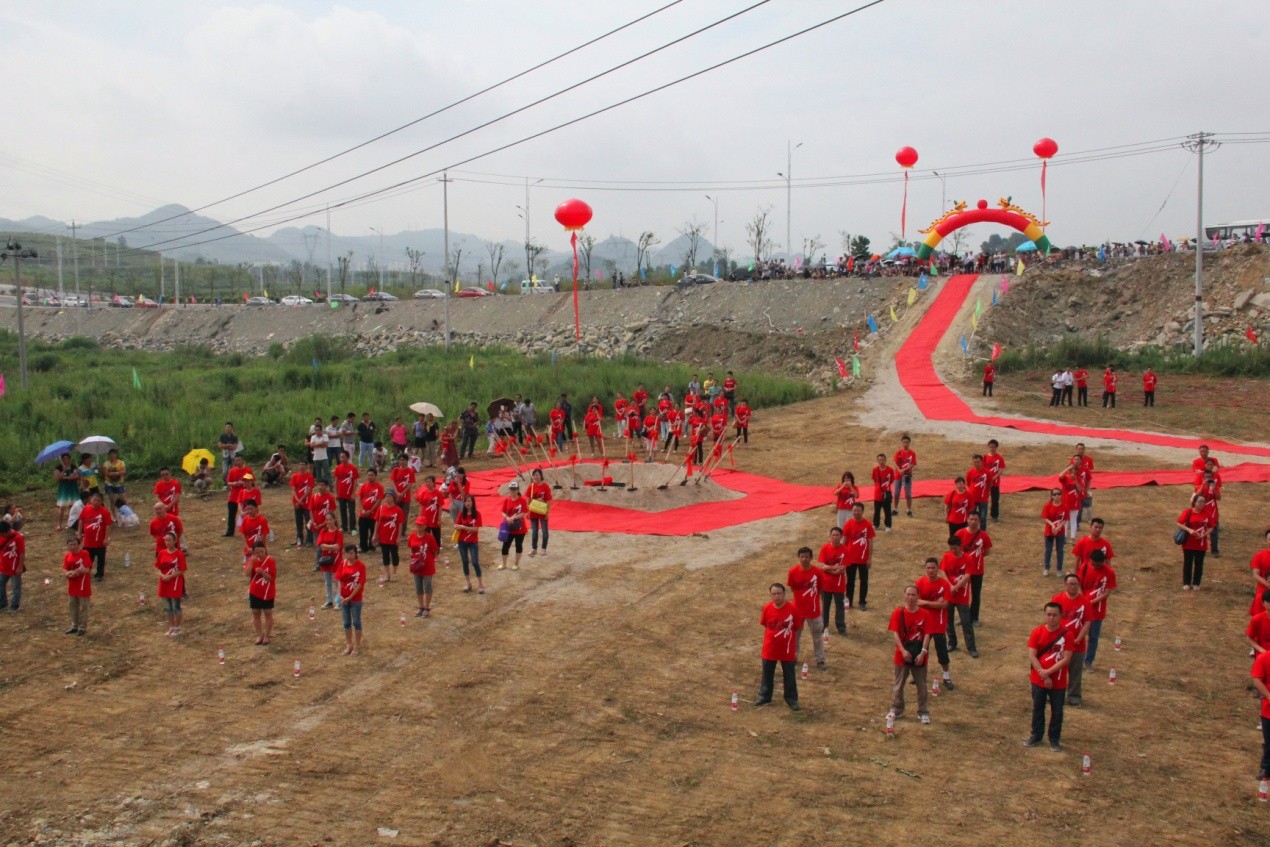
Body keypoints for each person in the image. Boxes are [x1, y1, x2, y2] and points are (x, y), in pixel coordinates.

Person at [1026, 602, 1073, 751]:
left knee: (1057, 711)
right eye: (1049, 614)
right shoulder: (1037, 632)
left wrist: (1049, 672)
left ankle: (1054, 739)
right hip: (1038, 679)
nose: (1051, 618)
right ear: (1045, 615)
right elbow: (1032, 656)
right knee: (1038, 708)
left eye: (1055, 615)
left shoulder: (1067, 635)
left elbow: (1066, 658)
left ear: (1060, 616)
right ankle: (1036, 735)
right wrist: (1043, 674)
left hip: (1058, 680)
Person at [887, 585, 933, 725]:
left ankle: (923, 711)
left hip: (919, 653)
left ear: (918, 596)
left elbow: (927, 634)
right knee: (898, 684)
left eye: (913, 595)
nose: (911, 597)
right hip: (902, 654)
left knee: (922, 685)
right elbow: (895, 633)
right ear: (904, 596)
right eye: (908, 594)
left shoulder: (925, 614)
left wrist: (923, 652)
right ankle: (896, 708)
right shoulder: (898, 612)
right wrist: (902, 650)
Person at [756, 583, 800, 710]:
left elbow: (797, 626)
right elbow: (765, 623)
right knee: (767, 673)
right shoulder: (767, 608)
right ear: (770, 595)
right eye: (774, 594)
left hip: (786, 649)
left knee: (789, 675)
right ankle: (765, 696)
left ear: (784, 594)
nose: (777, 596)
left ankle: (791, 699)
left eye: (779, 593)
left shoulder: (793, 609)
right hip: (770, 649)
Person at [1051, 574, 1092, 707]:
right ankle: (1055, 695)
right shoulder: (1058, 599)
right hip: (1060, 643)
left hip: (1077, 644)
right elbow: (1051, 619)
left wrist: (1079, 638)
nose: (1073, 586)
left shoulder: (1085, 602)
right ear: (1065, 585)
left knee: (1075, 671)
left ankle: (1074, 697)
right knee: (1057, 670)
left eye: (1075, 584)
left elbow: (1087, 622)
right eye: (1070, 584)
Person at [915, 558, 955, 692]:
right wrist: (934, 604)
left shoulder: (944, 584)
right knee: (920, 649)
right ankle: (918, 675)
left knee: (942, 650)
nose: (931, 570)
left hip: (938, 623)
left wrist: (925, 603)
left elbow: (944, 605)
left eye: (933, 568)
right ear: (925, 569)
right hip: (923, 622)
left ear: (938, 569)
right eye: (928, 568)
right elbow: (916, 601)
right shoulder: (920, 582)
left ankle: (946, 676)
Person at [1076, 545, 1117, 671]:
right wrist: (1082, 600)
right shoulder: (1085, 567)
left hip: (1097, 611)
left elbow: (1107, 592)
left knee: (1093, 637)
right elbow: (1078, 584)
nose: (1096, 566)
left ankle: (1088, 661)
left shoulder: (1109, 572)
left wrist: (1092, 601)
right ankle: (1076, 659)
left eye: (1099, 565)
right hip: (1082, 608)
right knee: (1078, 634)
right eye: (1094, 564)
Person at [786, 547, 827, 670]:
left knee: (817, 637)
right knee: (795, 636)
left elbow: (820, 589)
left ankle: (820, 660)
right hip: (797, 611)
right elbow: (793, 588)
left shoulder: (818, 573)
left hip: (814, 611)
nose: (804, 559)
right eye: (802, 557)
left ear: (811, 558)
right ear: (798, 557)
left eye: (807, 557)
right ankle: (793, 657)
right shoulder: (793, 572)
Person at [941, 536, 978, 658]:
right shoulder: (947, 556)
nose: (953, 550)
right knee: (948, 620)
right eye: (951, 548)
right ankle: (952, 642)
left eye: (955, 548)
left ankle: (971, 647)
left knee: (966, 622)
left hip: (962, 595)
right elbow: (943, 572)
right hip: (949, 594)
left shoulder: (967, 558)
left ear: (960, 546)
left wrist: (956, 586)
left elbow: (968, 576)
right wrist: (950, 586)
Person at [956, 513, 993, 627]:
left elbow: (987, 551)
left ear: (979, 521)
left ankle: (974, 617)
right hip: (963, 570)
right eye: (971, 519)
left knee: (976, 594)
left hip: (977, 570)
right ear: (967, 520)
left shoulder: (983, 535)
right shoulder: (960, 533)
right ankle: (964, 617)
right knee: (963, 595)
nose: (973, 522)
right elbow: (955, 551)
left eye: (975, 519)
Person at [841, 501, 875, 612]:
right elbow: (845, 541)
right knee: (850, 581)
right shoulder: (848, 524)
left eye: (858, 510)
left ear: (862, 511)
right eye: (854, 510)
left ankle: (862, 602)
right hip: (850, 558)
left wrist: (869, 558)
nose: (856, 512)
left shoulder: (867, 525)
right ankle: (849, 602)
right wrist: (843, 557)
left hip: (863, 559)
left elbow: (870, 542)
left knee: (864, 581)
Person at [1177, 493, 1213, 590]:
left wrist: (1205, 534)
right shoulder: (1188, 512)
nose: (1202, 503)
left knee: (1199, 564)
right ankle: (1186, 583)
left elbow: (1211, 527)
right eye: (1199, 501)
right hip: (1189, 542)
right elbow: (1179, 523)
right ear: (1194, 502)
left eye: (1203, 501)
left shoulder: (1207, 514)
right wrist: (1189, 530)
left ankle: (1196, 583)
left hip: (1201, 543)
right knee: (1188, 563)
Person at [817, 526, 848, 636]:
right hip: (825, 584)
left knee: (840, 606)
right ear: (830, 536)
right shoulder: (825, 548)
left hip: (839, 585)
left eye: (837, 535)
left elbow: (843, 568)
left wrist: (828, 568)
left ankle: (841, 627)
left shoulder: (845, 550)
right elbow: (822, 566)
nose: (835, 537)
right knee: (825, 606)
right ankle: (823, 626)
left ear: (841, 536)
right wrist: (834, 570)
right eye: (833, 535)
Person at [337, 543, 366, 655]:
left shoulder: (361, 566)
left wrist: (350, 597)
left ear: (355, 554)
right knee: (346, 623)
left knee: (357, 622)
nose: (349, 555)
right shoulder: (343, 564)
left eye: (351, 553)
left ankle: (357, 645)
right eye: (347, 553)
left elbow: (360, 584)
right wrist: (339, 595)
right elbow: (339, 580)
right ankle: (349, 644)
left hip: (355, 599)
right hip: (344, 598)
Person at [155, 532, 187, 637]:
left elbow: (182, 569)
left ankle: (177, 627)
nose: (167, 542)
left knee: (175, 606)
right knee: (167, 607)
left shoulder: (179, 554)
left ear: (174, 541)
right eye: (165, 540)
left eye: (169, 540)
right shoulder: (162, 553)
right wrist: (162, 575)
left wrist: (170, 576)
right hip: (164, 582)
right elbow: (158, 567)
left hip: (175, 583)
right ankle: (171, 626)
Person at [245, 542, 276, 645]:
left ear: (265, 550)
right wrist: (251, 563)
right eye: (257, 552)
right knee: (256, 613)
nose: (260, 554)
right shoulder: (251, 561)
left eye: (261, 551)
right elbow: (247, 574)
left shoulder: (270, 560)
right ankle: (259, 635)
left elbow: (271, 578)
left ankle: (267, 635)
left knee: (268, 612)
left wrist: (262, 572)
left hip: (267, 592)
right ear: (253, 553)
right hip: (254, 591)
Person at [407, 519, 438, 616]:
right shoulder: (412, 536)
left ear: (425, 526)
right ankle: (421, 607)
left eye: (421, 524)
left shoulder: (429, 537)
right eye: (417, 524)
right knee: (418, 587)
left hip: (428, 565)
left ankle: (427, 607)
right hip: (417, 565)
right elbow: (410, 548)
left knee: (427, 586)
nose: (419, 526)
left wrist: (430, 558)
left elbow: (435, 550)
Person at [78, 492, 112, 581]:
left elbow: (108, 525)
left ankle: (99, 574)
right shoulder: (86, 509)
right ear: (91, 500)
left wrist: (106, 538)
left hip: (99, 542)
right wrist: (79, 533)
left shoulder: (105, 512)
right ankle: (86, 572)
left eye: (98, 501)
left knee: (100, 559)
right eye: (94, 500)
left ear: (101, 502)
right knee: (87, 558)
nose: (96, 502)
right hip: (88, 541)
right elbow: (81, 520)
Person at [63, 536, 92, 636]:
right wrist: (68, 574)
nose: (72, 547)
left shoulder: (84, 553)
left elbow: (87, 568)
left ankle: (82, 627)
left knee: (84, 606)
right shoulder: (67, 556)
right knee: (73, 605)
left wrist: (77, 573)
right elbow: (65, 569)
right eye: (70, 545)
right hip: (72, 585)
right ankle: (74, 625)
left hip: (83, 584)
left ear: (78, 544)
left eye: (74, 544)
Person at [455, 494, 484, 594]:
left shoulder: (477, 514)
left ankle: (480, 584)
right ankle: (468, 583)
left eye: (470, 501)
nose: (468, 503)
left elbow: (475, 529)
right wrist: (458, 526)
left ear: (473, 502)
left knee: (475, 562)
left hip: (472, 542)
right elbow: (456, 524)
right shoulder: (461, 514)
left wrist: (463, 527)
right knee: (465, 562)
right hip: (462, 541)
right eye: (466, 501)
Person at [315, 511, 343, 609]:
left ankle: (339, 601)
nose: (328, 522)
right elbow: (320, 545)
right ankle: (329, 600)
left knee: (337, 581)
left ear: (334, 520)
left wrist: (326, 546)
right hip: (326, 559)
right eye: (327, 520)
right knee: (327, 581)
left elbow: (338, 547)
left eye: (330, 519)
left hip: (336, 560)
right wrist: (331, 546)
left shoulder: (338, 533)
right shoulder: (323, 531)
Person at [499, 480, 529, 570]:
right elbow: (503, 512)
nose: (513, 491)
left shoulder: (522, 500)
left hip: (519, 528)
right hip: (509, 527)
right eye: (511, 489)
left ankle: (516, 563)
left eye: (514, 489)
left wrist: (513, 518)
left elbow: (524, 513)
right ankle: (504, 564)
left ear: (518, 489)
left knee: (518, 545)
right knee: (505, 546)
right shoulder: (507, 500)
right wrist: (507, 518)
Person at [375, 492, 404, 584]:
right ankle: (387, 574)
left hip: (393, 535)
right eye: (386, 497)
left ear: (393, 498)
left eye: (390, 496)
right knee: (385, 554)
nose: (388, 498)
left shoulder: (398, 510)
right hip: (383, 535)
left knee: (394, 554)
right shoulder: (381, 508)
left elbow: (400, 524)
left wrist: (399, 537)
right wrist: (375, 534)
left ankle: (394, 573)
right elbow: (377, 522)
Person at [525, 468, 553, 558]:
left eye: (537, 475)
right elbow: (528, 499)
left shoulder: (545, 487)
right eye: (534, 475)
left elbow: (548, 500)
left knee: (545, 531)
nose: (536, 477)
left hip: (542, 511)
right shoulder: (531, 486)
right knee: (534, 531)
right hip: (533, 512)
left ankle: (544, 548)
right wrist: (527, 511)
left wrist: (547, 512)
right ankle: (534, 549)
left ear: (541, 476)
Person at [1041, 488, 1068, 577]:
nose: (1057, 496)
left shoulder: (1065, 507)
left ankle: (1059, 569)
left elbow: (1065, 519)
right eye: (1055, 494)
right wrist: (1052, 525)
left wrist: (1058, 527)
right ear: (1052, 496)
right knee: (1048, 550)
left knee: (1060, 551)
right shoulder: (1048, 506)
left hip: (1060, 532)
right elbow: (1045, 518)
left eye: (1059, 494)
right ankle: (1047, 568)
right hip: (1049, 531)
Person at [0, 520, 26, 611]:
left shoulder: (18, 538)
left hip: (14, 566)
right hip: (3, 565)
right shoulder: (1, 535)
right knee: (1, 583)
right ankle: (2, 603)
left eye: (3, 534)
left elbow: (22, 553)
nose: (2, 536)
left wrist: (20, 566)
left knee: (16, 586)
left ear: (7, 531)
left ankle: (14, 605)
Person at [1253, 648, 1270, 780]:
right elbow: (1257, 679)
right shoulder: (1264, 658)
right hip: (1268, 711)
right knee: (1269, 740)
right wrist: (1269, 696)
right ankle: (1266, 767)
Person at [223, 455, 250, 537]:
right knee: (231, 514)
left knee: (246, 513)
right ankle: (230, 531)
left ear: (242, 461)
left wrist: (244, 483)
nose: (237, 462)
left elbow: (252, 482)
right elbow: (228, 482)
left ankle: (248, 529)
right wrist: (233, 483)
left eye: (239, 460)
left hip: (244, 495)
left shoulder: (247, 470)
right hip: (233, 495)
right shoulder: (232, 471)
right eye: (236, 460)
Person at [333, 451, 359, 533]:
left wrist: (353, 493)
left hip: (350, 494)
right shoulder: (338, 468)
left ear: (347, 457)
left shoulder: (353, 468)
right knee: (342, 511)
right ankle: (344, 527)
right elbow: (336, 481)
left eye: (343, 457)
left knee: (351, 512)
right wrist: (336, 493)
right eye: (340, 457)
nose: (341, 459)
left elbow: (355, 481)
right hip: (341, 494)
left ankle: (353, 528)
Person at [415, 475, 444, 548]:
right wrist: (419, 517)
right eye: (426, 482)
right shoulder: (424, 493)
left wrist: (439, 519)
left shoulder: (438, 493)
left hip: (434, 518)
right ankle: (427, 549)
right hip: (425, 518)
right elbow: (421, 505)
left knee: (436, 535)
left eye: (429, 482)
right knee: (426, 535)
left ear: (434, 483)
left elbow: (440, 506)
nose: (427, 483)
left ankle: (436, 551)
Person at [892, 435, 917, 517]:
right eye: (904, 442)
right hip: (898, 476)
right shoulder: (898, 452)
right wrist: (899, 470)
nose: (905, 444)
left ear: (909, 443)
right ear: (902, 443)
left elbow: (912, 464)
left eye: (907, 442)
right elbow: (895, 462)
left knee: (908, 494)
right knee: (896, 493)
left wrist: (903, 470)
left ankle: (909, 510)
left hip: (907, 476)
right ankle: (895, 509)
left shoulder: (912, 453)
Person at [870, 453, 895, 532]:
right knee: (877, 510)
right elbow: (874, 479)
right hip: (877, 493)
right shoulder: (875, 470)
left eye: (883, 460)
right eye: (879, 460)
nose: (881, 461)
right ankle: (875, 524)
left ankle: (888, 525)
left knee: (887, 510)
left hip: (886, 493)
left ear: (885, 460)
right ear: (877, 460)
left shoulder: (890, 470)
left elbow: (891, 480)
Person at [54, 453, 79, 531]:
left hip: (72, 487)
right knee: (61, 507)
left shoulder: (73, 466)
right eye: (64, 459)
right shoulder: (58, 468)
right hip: (64, 488)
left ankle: (70, 523)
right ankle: (59, 524)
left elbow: (77, 475)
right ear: (62, 459)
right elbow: (57, 478)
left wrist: (72, 476)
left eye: (67, 458)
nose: (66, 460)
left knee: (72, 506)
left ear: (69, 459)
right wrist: (64, 470)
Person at [389, 453, 416, 526]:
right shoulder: (395, 470)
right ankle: (395, 529)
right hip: (396, 495)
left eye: (404, 460)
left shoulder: (410, 471)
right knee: (395, 513)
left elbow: (410, 484)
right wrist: (397, 493)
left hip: (406, 497)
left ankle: (403, 532)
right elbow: (392, 481)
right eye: (400, 460)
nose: (402, 462)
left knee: (404, 514)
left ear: (407, 461)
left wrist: (402, 493)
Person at [983, 439, 1006, 522]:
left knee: (995, 499)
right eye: (990, 446)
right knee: (983, 499)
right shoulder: (985, 457)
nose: (992, 448)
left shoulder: (999, 458)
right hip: (985, 482)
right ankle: (982, 514)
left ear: (996, 447)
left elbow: (1001, 469)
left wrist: (994, 477)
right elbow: (982, 468)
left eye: (993, 447)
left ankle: (994, 515)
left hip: (995, 482)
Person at [965, 455, 991, 526]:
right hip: (972, 498)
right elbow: (968, 483)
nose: (976, 464)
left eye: (978, 462)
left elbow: (989, 483)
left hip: (983, 498)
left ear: (982, 462)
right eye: (975, 462)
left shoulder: (987, 472)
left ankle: (982, 532)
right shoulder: (970, 472)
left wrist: (986, 493)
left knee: (982, 517)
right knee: (971, 516)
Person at [1250, 529, 1270, 618]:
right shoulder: (1259, 556)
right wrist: (1267, 584)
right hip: (1263, 591)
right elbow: (1255, 574)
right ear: (1266, 541)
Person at [102, 448, 127, 517]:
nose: (112, 456)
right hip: (109, 484)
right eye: (111, 454)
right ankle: (115, 516)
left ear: (116, 455)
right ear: (109, 455)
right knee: (112, 500)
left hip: (119, 484)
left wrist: (113, 473)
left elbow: (124, 471)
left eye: (114, 454)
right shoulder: (106, 463)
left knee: (123, 500)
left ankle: (126, 514)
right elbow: (106, 472)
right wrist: (118, 473)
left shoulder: (121, 462)